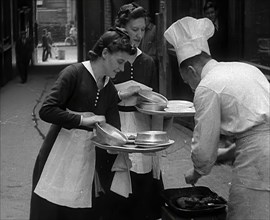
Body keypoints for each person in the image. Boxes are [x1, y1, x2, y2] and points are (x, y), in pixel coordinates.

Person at [164, 16, 270, 220]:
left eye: (187, 82)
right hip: (259, 151)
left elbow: (204, 148)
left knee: (246, 213)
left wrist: (197, 171)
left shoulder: (207, 86)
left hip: (260, 162)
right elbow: (257, 127)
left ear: (191, 71)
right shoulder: (245, 68)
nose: (191, 87)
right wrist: (225, 154)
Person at [29, 27, 136, 220]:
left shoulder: (109, 88)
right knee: (51, 210)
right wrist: (81, 120)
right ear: (104, 53)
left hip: (88, 163)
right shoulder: (74, 73)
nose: (121, 69)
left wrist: (127, 141)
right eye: (120, 62)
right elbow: (46, 110)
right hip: (58, 158)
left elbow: (113, 129)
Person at [112, 2, 162, 220]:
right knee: (116, 185)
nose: (139, 35)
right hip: (114, 125)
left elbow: (155, 104)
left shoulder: (148, 62)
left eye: (143, 29)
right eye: (134, 29)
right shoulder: (111, 57)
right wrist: (120, 94)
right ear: (122, 28)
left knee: (142, 181)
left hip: (141, 124)